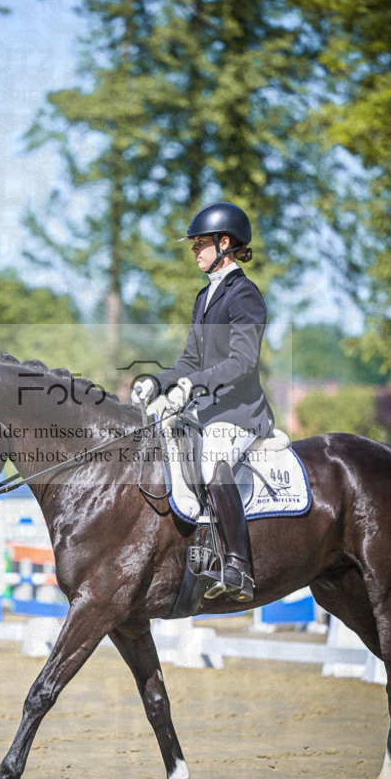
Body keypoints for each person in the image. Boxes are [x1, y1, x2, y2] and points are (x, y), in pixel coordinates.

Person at [132, 201, 275, 603]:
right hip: (208, 408)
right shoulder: (204, 296)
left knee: (212, 457)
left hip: (241, 413)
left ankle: (238, 567)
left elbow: (243, 363)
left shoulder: (245, 295)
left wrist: (192, 385)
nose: (194, 250)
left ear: (224, 243)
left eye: (200, 243)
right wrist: (156, 382)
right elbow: (190, 361)